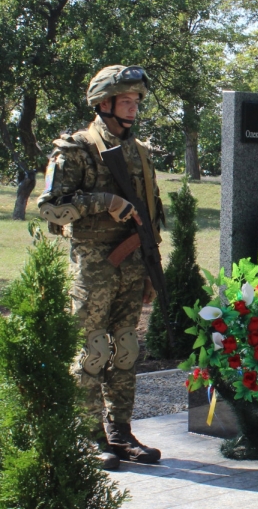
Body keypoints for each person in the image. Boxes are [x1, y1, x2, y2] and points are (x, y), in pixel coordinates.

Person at [38, 65, 165, 470]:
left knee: (126, 349)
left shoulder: (139, 152)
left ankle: (121, 432)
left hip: (131, 264)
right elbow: (50, 208)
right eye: (126, 101)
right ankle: (89, 435)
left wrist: (149, 265)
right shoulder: (75, 149)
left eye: (135, 101)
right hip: (94, 267)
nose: (133, 108)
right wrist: (105, 203)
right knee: (93, 352)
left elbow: (152, 213)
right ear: (104, 103)